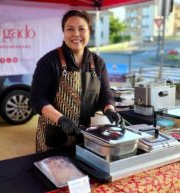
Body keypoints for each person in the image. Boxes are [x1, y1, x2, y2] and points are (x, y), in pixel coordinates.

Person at [30, 10, 122, 153]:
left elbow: (105, 94)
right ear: (63, 32)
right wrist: (60, 119)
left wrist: (109, 109)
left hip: (86, 136)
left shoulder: (98, 63)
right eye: (70, 29)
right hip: (55, 137)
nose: (76, 34)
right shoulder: (49, 62)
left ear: (89, 32)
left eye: (81, 29)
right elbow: (37, 99)